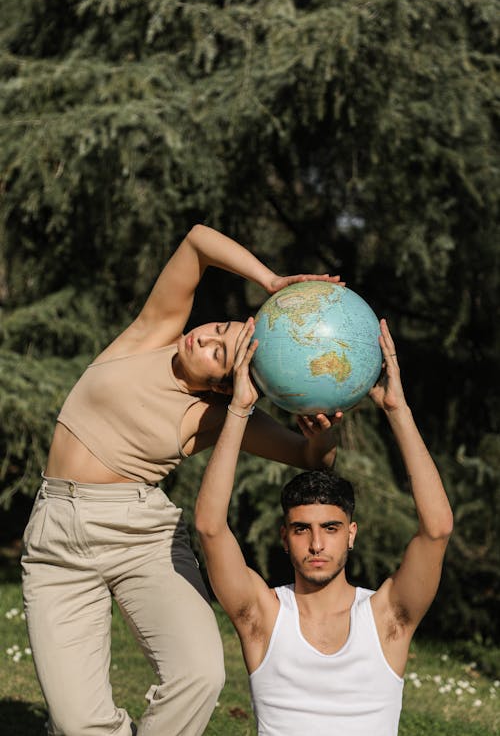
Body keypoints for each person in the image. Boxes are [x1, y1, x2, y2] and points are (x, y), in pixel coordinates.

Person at [21, 224, 343, 736]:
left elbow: (310, 457)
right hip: (58, 536)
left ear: (223, 385)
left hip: (141, 537)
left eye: (218, 351)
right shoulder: (154, 332)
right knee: (76, 723)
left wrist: (323, 434)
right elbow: (197, 241)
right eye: (219, 328)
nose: (205, 336)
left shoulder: (213, 414)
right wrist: (270, 280)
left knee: (198, 675)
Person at [195, 317, 454, 736]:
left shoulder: (386, 618)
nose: (316, 544)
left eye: (331, 528)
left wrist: (397, 410)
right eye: (301, 530)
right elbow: (209, 527)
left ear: (351, 534)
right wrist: (240, 409)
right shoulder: (264, 616)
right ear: (285, 537)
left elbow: (437, 529)